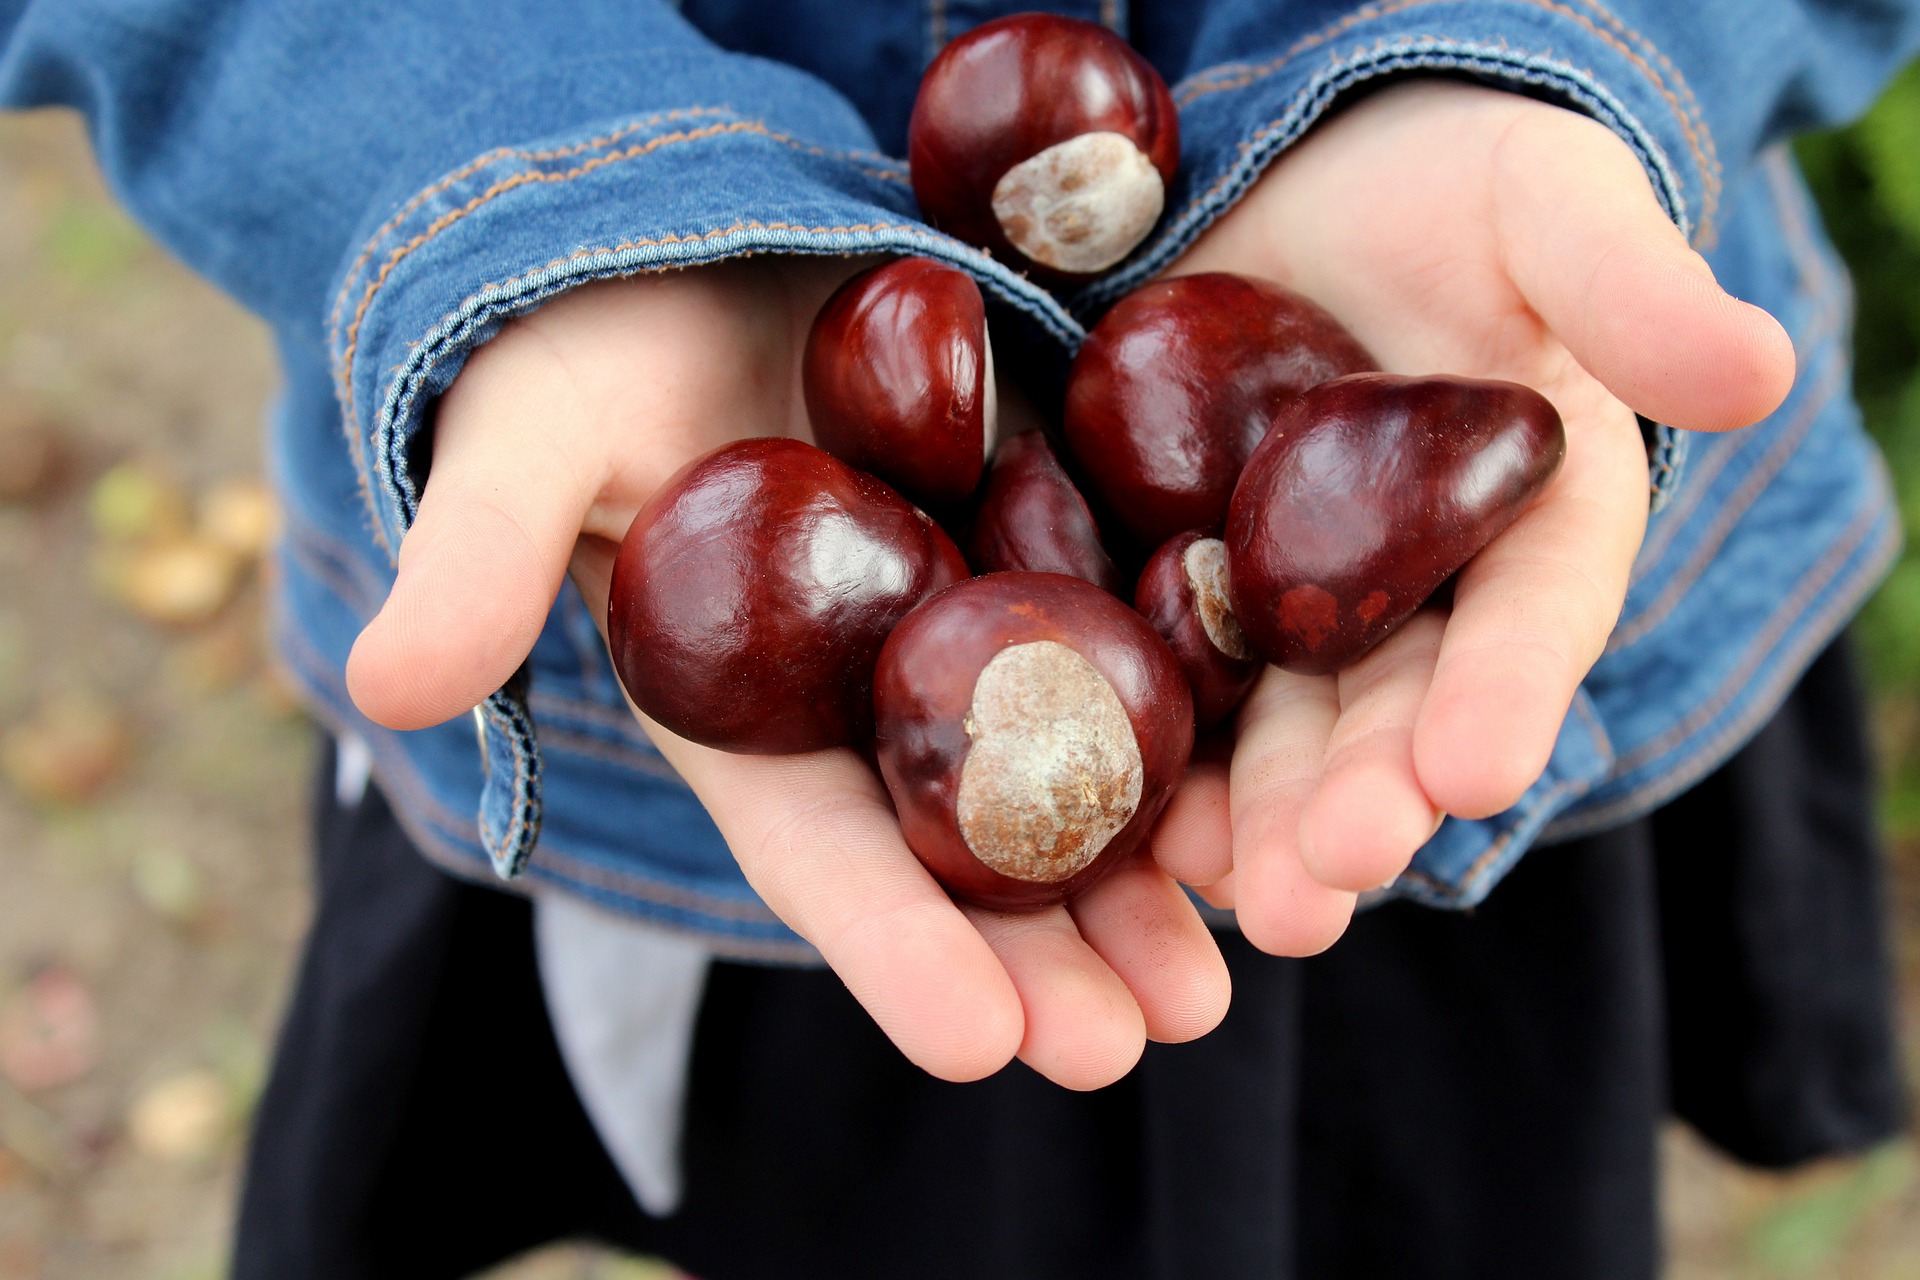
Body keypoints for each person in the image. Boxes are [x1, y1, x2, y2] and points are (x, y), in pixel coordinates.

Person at [4, 1, 1919, 1276]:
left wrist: (1545, 42)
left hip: (1498, 756)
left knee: (1454, 1189)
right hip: (668, 812)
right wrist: (540, 201)